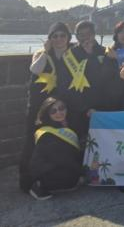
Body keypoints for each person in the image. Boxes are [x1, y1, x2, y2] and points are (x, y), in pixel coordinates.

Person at [20, 22, 72, 192]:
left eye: (62, 35)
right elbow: (35, 70)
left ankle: (50, 180)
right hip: (38, 107)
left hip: (58, 109)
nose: (59, 39)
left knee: (54, 144)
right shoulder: (41, 53)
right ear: (49, 39)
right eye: (54, 36)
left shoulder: (71, 55)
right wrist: (46, 50)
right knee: (32, 141)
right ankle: (26, 181)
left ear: (68, 37)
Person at [56, 21, 118, 136]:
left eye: (88, 33)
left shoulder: (106, 52)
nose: (85, 37)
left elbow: (109, 80)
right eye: (81, 34)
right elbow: (64, 86)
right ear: (76, 36)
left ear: (94, 34)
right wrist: (85, 109)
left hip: (102, 110)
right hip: (78, 112)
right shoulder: (69, 55)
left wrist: (90, 55)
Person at [28, 97, 83, 200]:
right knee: (73, 179)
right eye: (53, 111)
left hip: (60, 166)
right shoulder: (46, 133)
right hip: (47, 171)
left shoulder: (68, 125)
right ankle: (39, 186)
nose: (59, 113)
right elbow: (60, 158)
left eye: (61, 108)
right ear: (47, 114)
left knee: (74, 180)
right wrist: (80, 171)